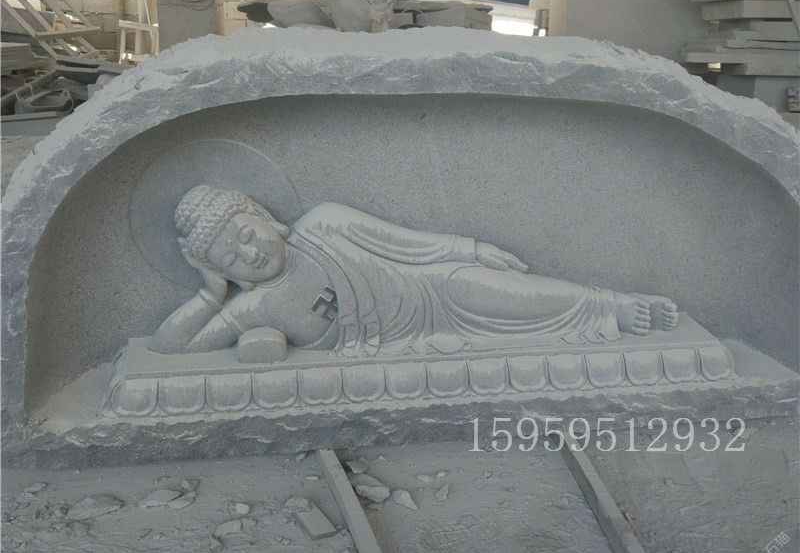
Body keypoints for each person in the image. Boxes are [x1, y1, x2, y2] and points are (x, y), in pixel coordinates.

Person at [149, 185, 677, 359]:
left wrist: (471, 250)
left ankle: (609, 306)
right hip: (391, 346)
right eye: (230, 260)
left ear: (264, 218)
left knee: (498, 292)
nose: (249, 256)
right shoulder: (254, 305)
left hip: (431, 294)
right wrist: (211, 292)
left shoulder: (323, 225)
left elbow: (410, 244)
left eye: (246, 236)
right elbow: (172, 348)